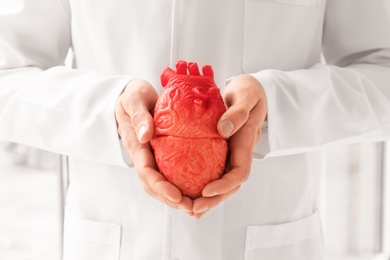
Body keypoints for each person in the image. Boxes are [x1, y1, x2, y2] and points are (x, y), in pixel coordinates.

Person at [0, 0, 389, 259]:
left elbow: (382, 70)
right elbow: (8, 72)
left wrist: (278, 106)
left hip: (271, 241)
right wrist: (109, 111)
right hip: (119, 241)